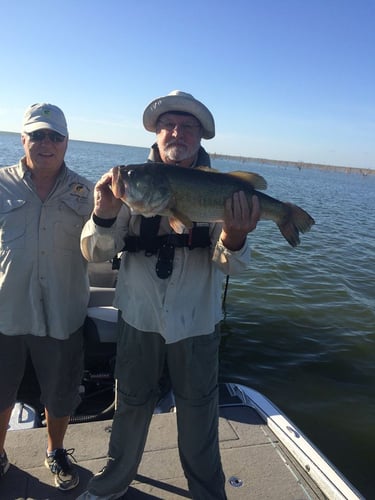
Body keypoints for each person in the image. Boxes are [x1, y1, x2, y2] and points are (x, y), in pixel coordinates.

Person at [78, 90, 260, 500]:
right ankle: (113, 481)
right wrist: (103, 216)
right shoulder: (129, 182)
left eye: (188, 126)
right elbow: (94, 253)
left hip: (197, 320)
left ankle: (208, 492)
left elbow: (236, 267)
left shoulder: (224, 191)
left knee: (199, 412)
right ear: (157, 134)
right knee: (130, 403)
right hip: (138, 315)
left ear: (201, 137)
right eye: (168, 125)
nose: (177, 132)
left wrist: (234, 236)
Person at [0, 103, 94, 491]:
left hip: (62, 313)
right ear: (22, 139)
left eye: (55, 136)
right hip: (7, 311)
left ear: (67, 142)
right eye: (37, 134)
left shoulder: (88, 192)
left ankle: (55, 451)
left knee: (61, 393)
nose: (46, 143)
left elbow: (104, 246)